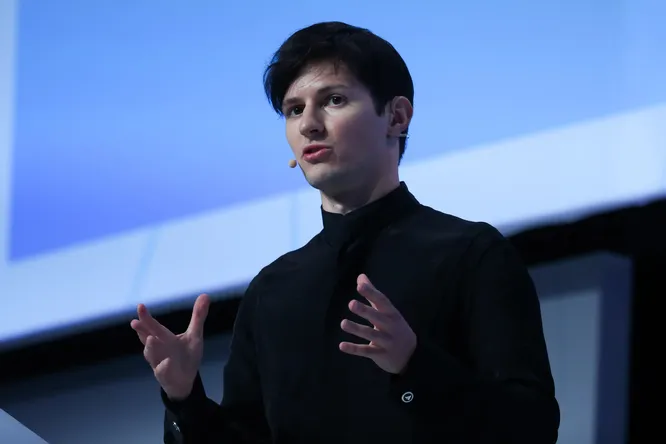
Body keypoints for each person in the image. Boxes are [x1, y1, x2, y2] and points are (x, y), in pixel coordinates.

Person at [130, 21, 560, 443]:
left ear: (396, 117)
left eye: (333, 100)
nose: (308, 125)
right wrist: (185, 398)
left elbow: (531, 426)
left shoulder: (471, 254)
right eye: (294, 110)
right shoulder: (272, 291)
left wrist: (414, 366)